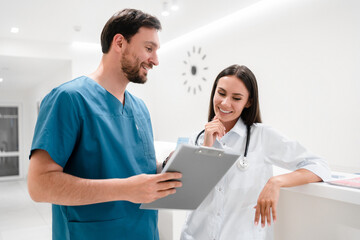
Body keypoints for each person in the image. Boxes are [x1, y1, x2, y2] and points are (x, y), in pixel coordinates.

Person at [27, 9, 182, 240]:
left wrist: (164, 168)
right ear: (119, 42)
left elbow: (129, 166)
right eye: (149, 48)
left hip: (144, 231)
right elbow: (39, 185)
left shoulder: (140, 109)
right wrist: (127, 189)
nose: (155, 60)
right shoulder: (69, 99)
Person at [180, 64, 331, 240]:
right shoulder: (197, 139)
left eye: (236, 98)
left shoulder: (262, 136)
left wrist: (276, 182)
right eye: (221, 93)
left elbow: (319, 166)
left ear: (248, 102)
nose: (225, 103)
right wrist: (207, 148)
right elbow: (189, 194)